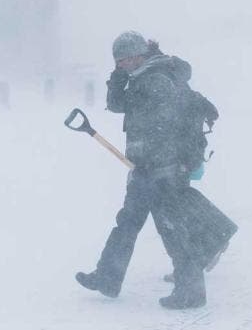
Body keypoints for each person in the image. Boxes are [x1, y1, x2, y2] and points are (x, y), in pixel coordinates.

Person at [75, 31, 209, 309]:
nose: (121, 65)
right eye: (117, 62)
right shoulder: (140, 77)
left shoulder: (157, 79)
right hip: (145, 168)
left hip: (163, 170)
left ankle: (192, 291)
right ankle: (107, 278)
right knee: (127, 224)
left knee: (172, 229)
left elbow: (166, 127)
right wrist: (118, 76)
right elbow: (117, 105)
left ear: (137, 56)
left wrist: (157, 165)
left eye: (123, 60)